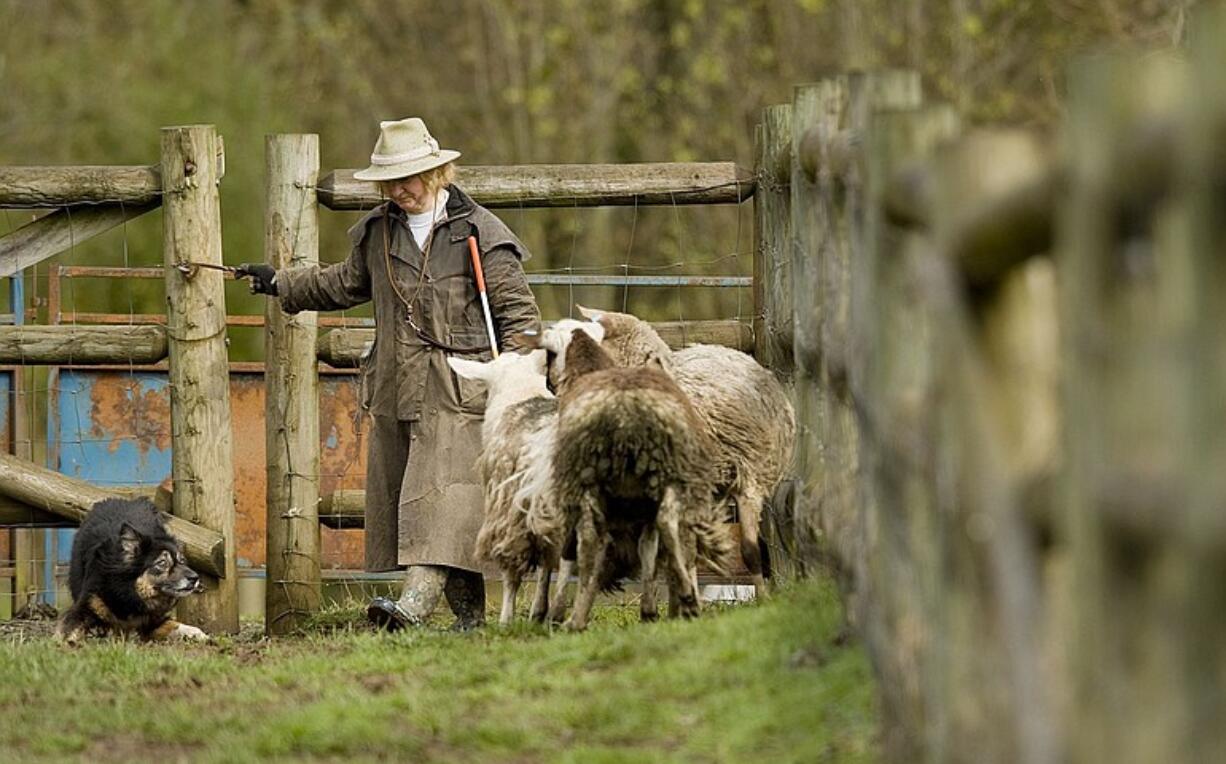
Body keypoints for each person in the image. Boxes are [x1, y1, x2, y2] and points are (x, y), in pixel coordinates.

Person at [238, 118, 540, 631]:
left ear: (440, 172)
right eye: (392, 181)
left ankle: (414, 608)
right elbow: (342, 283)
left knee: (443, 495)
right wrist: (280, 283)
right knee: (422, 498)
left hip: (460, 389)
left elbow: (521, 319)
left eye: (412, 177)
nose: (402, 190)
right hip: (397, 385)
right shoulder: (378, 233)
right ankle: (470, 622)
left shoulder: (482, 234)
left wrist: (515, 382)